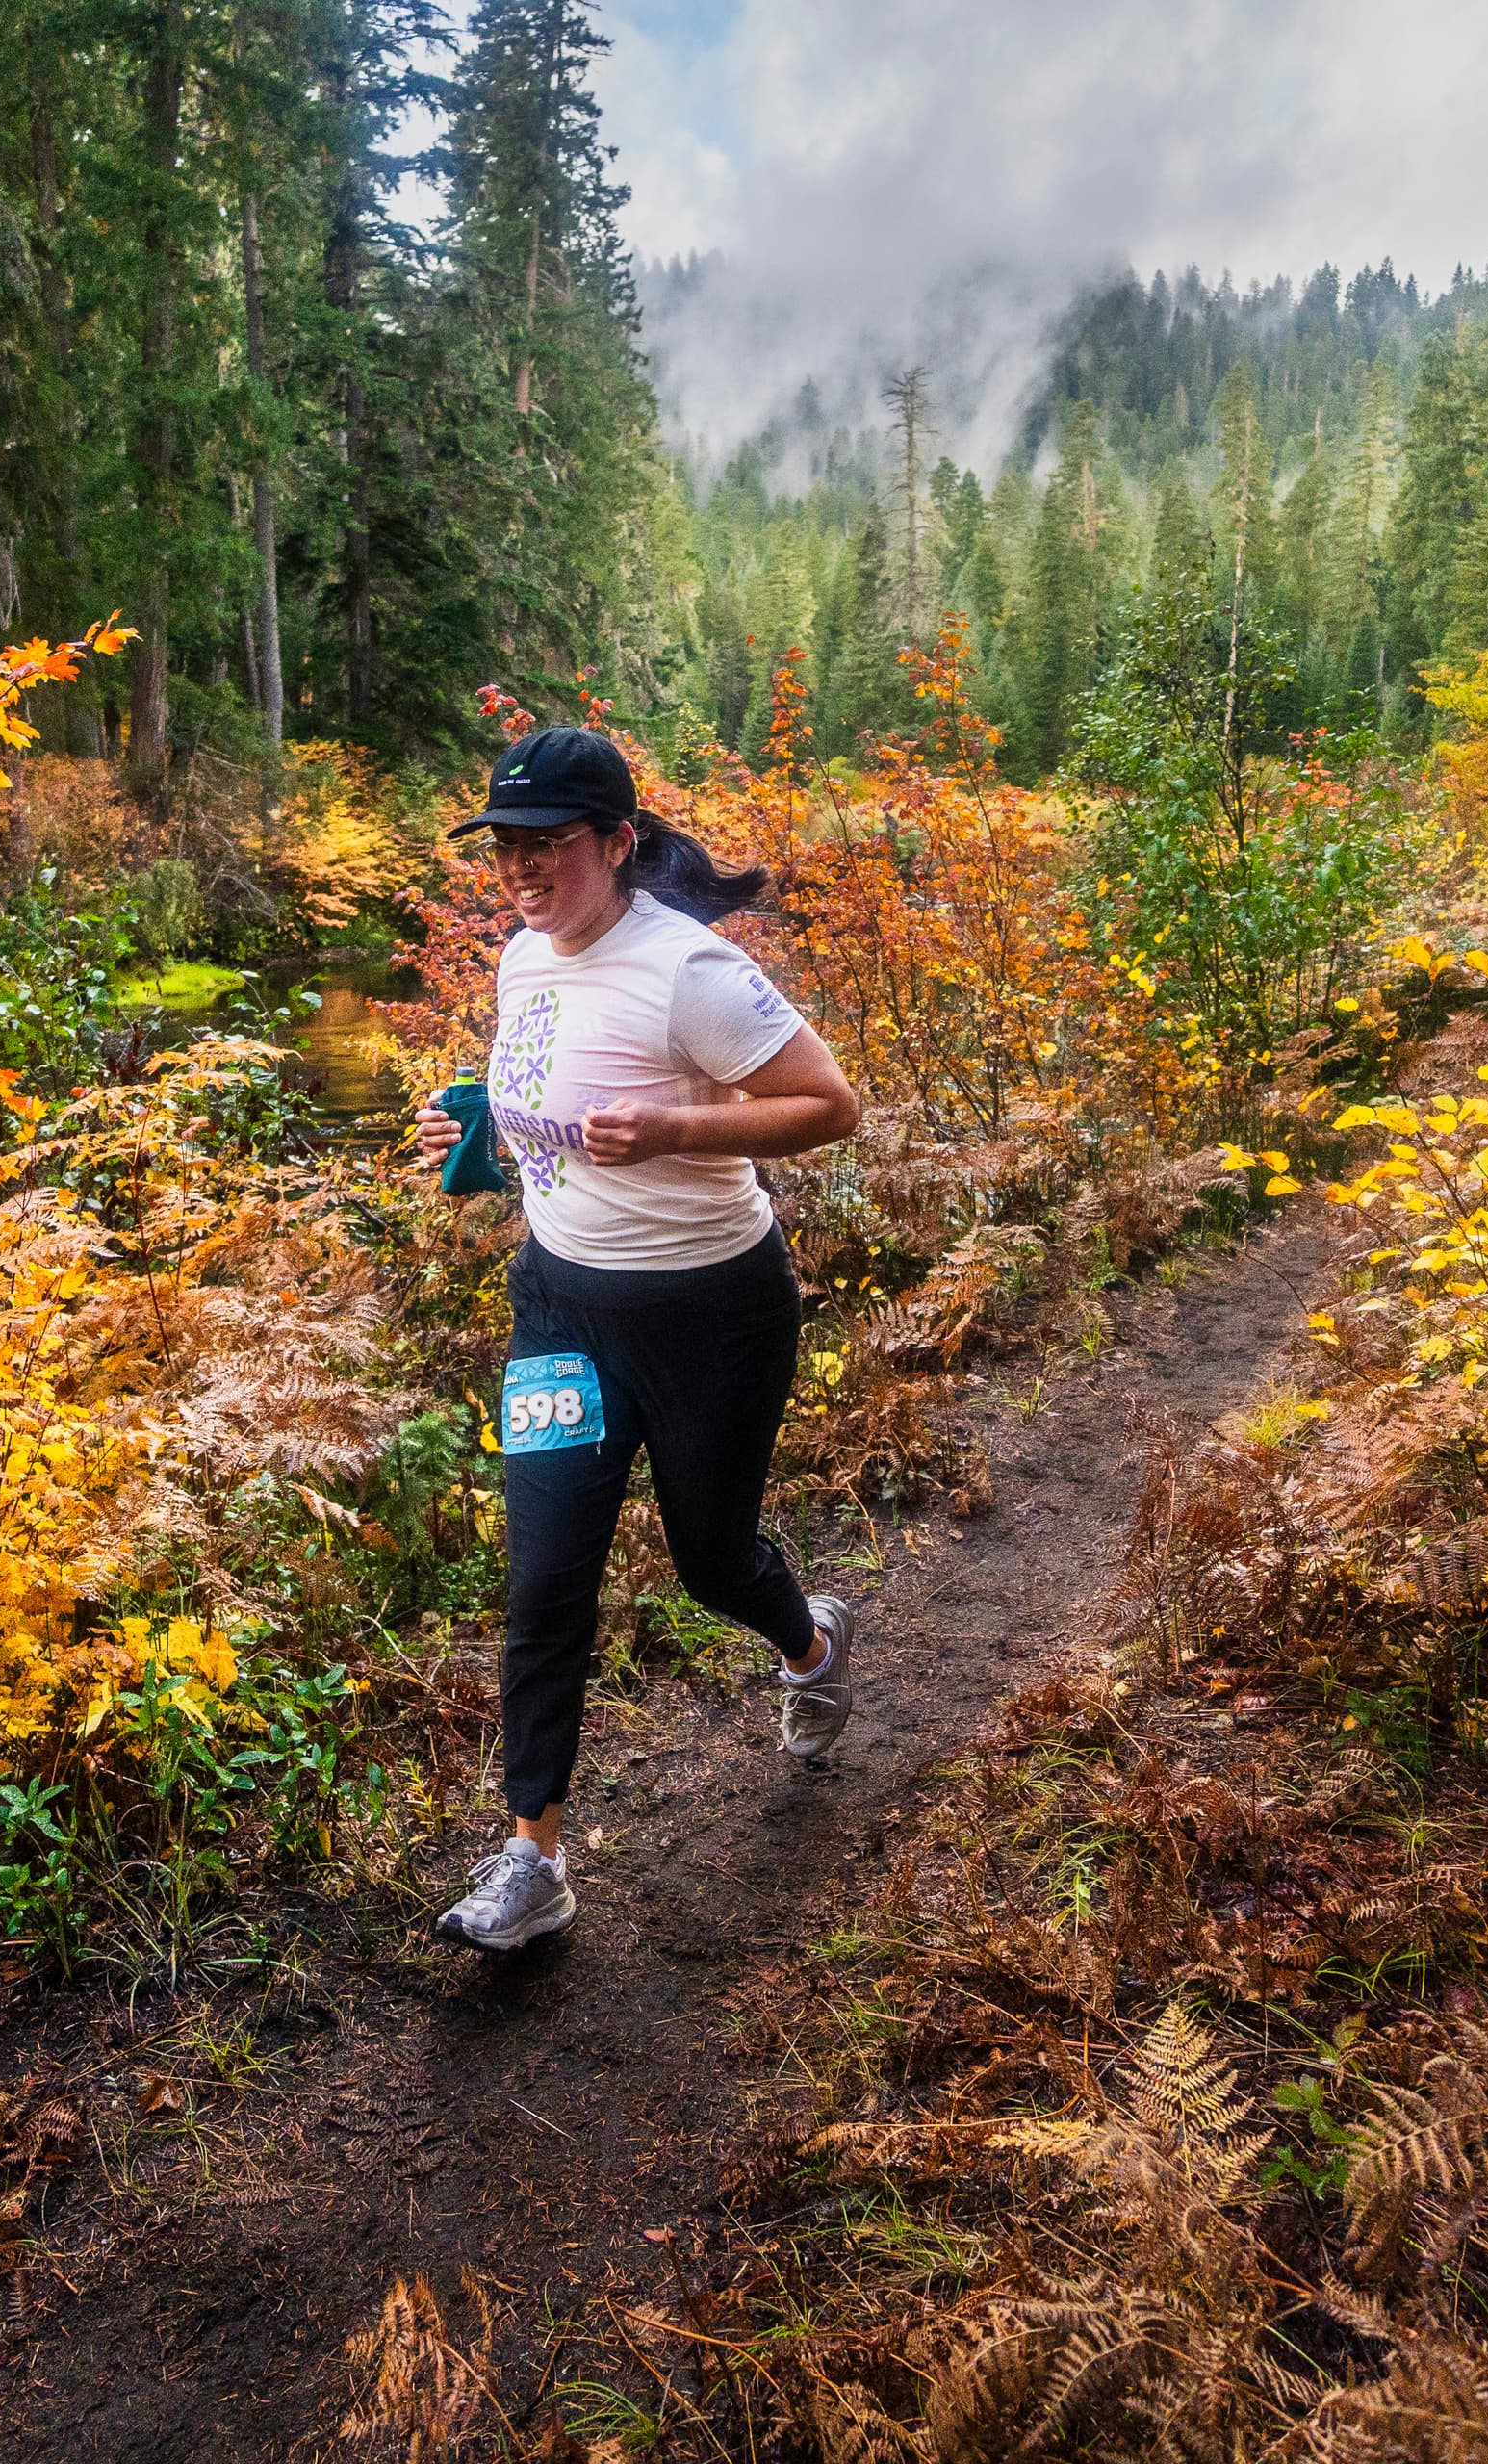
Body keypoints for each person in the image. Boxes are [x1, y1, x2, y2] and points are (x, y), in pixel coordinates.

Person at [412, 726, 866, 1953]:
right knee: (544, 1577)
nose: (520, 868)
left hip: (711, 1312)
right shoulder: (521, 958)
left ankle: (811, 1643)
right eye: (503, 846)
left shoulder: (690, 969)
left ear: (617, 843)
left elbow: (830, 1104)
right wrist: (478, 1129)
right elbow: (551, 1107)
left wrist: (677, 1129)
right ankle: (534, 1859)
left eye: (546, 843)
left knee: (712, 1560)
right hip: (560, 1310)